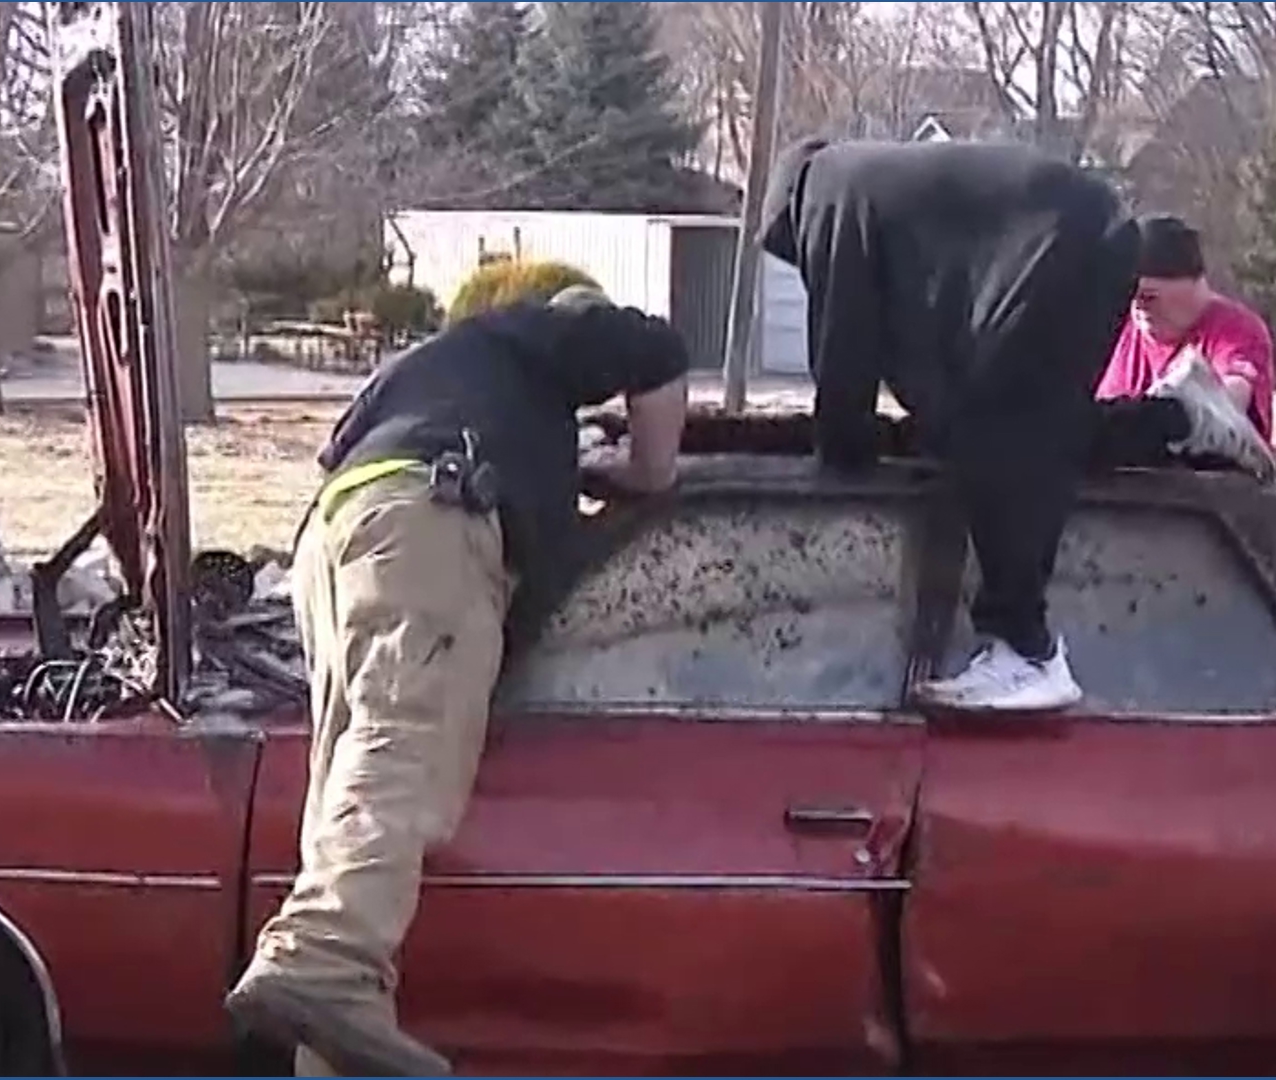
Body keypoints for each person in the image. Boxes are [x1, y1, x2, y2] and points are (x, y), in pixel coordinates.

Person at [224, 285, 690, 1077]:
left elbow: (339, 460)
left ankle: (332, 1042)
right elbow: (659, 351)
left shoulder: (427, 370)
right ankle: (320, 961)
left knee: (351, 792)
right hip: (432, 518)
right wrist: (645, 471)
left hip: (335, 543)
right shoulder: (545, 334)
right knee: (405, 749)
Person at [759, 137, 1144, 712]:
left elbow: (843, 344)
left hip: (1060, 239)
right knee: (1035, 433)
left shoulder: (827, 192)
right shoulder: (871, 184)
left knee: (994, 425)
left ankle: (1028, 651)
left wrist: (842, 459)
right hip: (1092, 233)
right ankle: (1179, 418)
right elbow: (923, 355)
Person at [1092, 214, 1276, 475]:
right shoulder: (1119, 328)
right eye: (1129, 297)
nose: (1137, 307)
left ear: (1196, 285)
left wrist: (1183, 412)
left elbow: (1230, 402)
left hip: (1208, 488)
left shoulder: (1236, 329)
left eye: (1148, 297)